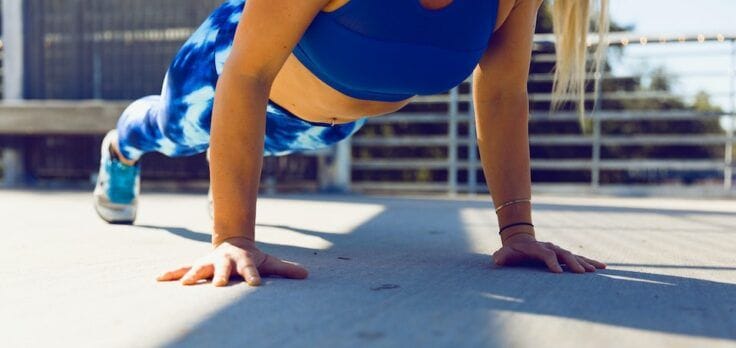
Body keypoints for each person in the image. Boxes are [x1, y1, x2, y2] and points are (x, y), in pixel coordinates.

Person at [93, 0, 609, 287]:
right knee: (169, 130)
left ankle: (225, 175)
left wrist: (517, 230)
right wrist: (235, 237)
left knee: (253, 149)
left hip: (325, 126)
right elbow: (247, 75)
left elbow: (500, 95)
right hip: (223, 75)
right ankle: (119, 150)